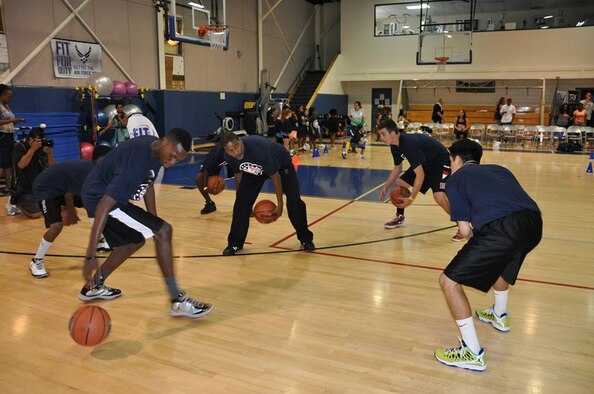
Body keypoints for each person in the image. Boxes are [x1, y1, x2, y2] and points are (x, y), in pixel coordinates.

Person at [434, 139, 542, 371]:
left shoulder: (455, 179)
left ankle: (471, 352)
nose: (450, 166)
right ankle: (500, 315)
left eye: (450, 161)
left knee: (449, 282)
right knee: (499, 262)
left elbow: (464, 231)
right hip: (533, 224)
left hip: (502, 229)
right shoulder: (500, 170)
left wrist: (474, 234)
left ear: (457, 160)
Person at [80, 129, 212, 318]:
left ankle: (94, 286)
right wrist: (90, 255)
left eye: (178, 160)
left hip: (106, 195)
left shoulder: (155, 149)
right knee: (165, 231)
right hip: (98, 198)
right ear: (165, 141)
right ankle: (177, 301)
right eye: (172, 156)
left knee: (134, 241)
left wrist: (154, 221)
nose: (172, 162)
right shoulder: (135, 164)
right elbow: (103, 207)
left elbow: (147, 182)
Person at [220, 132, 314, 256]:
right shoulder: (228, 156)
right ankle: (235, 243)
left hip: (281, 165)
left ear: (240, 141)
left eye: (236, 147)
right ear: (225, 150)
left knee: (294, 201)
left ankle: (305, 238)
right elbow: (238, 173)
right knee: (240, 205)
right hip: (254, 169)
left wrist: (279, 204)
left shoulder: (258, 149)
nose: (235, 152)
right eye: (230, 151)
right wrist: (241, 197)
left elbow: (275, 176)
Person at [29, 145, 111, 278]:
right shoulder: (89, 172)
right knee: (56, 226)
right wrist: (71, 211)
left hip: (63, 187)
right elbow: (69, 194)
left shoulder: (98, 170)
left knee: (92, 205)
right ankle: (36, 261)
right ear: (100, 160)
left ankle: (101, 239)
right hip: (45, 188)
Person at [377, 119, 463, 242]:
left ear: (392, 133)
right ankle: (400, 216)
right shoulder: (394, 146)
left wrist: (411, 199)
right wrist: (386, 186)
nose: (381, 137)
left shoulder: (408, 144)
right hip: (425, 163)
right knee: (400, 183)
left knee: (439, 196)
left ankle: (462, 225)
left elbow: (420, 175)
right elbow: (397, 168)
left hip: (441, 161)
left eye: (383, 134)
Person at [11, 127, 55, 218]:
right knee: (35, 214)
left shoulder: (41, 150)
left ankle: (40, 204)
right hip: (24, 189)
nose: (39, 143)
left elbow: (52, 169)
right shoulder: (20, 147)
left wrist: (50, 154)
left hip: (39, 188)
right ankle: (17, 203)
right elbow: (21, 165)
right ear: (30, 139)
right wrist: (32, 149)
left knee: (62, 203)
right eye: (37, 141)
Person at [194, 141, 236, 215]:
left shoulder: (238, 150)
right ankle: (210, 204)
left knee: (242, 178)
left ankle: (246, 206)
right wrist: (206, 187)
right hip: (217, 161)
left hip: (233, 158)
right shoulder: (216, 156)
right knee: (199, 178)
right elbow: (206, 170)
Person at [0, 84, 26, 200]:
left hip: (9, 135)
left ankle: (8, 186)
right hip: (2, 136)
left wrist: (16, 121)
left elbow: (8, 121)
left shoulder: (6, 106)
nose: (10, 99)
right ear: (2, 95)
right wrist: (13, 120)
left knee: (9, 162)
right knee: (2, 162)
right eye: (8, 97)